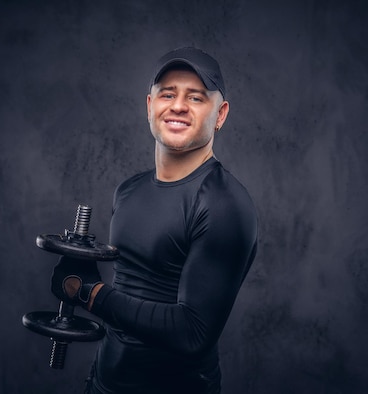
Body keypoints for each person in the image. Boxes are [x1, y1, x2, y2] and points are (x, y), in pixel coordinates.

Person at [51, 47, 258, 393]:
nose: (178, 105)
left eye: (196, 97)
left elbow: (193, 332)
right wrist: (82, 273)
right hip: (103, 384)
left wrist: (87, 293)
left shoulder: (224, 204)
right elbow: (131, 296)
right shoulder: (128, 191)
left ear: (220, 115)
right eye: (167, 94)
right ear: (150, 106)